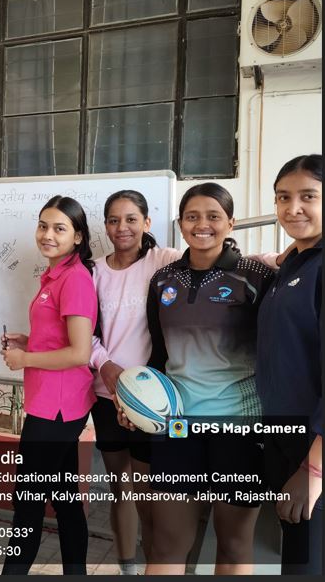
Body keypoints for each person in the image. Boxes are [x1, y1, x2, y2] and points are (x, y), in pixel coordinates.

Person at [128, 182, 275, 575]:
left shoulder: (256, 277)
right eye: (192, 216)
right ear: (181, 224)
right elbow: (159, 355)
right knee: (167, 545)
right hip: (178, 426)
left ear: (231, 223)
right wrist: (138, 401)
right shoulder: (163, 280)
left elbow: (275, 353)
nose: (202, 224)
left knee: (233, 545)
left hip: (240, 427)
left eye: (213, 216)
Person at [0, 195, 98, 576]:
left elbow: (79, 352)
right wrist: (29, 342)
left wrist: (24, 360)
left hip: (57, 408)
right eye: (43, 226)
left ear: (78, 236)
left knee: (28, 503)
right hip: (52, 403)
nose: (47, 235)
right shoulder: (55, 275)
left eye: (59, 228)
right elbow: (60, 340)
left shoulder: (74, 279)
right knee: (65, 499)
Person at [89, 190, 181, 574]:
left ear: (146, 222)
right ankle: (127, 567)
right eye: (113, 220)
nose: (122, 227)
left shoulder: (165, 260)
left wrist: (280, 259)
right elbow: (82, 332)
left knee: (149, 494)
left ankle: (154, 566)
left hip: (152, 401)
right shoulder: (93, 271)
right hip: (107, 395)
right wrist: (104, 365)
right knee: (120, 487)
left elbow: (216, 257)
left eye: (131, 219)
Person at [256, 154, 322, 574]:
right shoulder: (295, 263)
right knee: (295, 558)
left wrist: (311, 471)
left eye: (308, 196)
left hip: (312, 451)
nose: (292, 208)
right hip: (283, 439)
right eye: (283, 197)